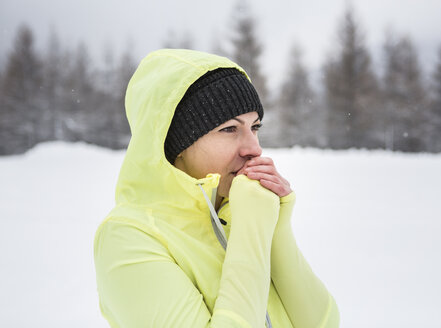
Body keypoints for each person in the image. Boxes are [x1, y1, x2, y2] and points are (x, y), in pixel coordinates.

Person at [93, 48, 339, 328]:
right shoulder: (128, 237)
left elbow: (324, 323)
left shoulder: (237, 208)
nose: (254, 148)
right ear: (177, 143)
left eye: (255, 127)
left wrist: (278, 224)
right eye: (229, 129)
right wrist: (253, 228)